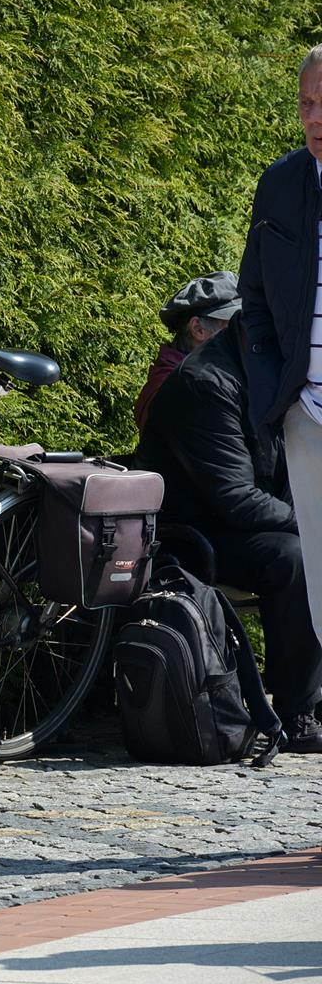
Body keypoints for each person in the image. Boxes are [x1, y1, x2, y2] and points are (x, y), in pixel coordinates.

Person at [136, 307, 322, 749]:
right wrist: (310, 522)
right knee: (295, 558)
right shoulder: (207, 383)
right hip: (193, 532)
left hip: (247, 518)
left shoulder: (276, 372)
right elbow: (235, 498)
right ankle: (298, 712)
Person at [239, 43, 322, 663]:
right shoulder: (281, 183)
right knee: (321, 593)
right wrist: (277, 393)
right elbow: (255, 297)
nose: (315, 118)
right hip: (307, 415)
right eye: (306, 103)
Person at [134, 271, 240, 430]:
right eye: (234, 325)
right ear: (198, 329)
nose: (245, 333)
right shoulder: (179, 390)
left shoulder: (209, 379)